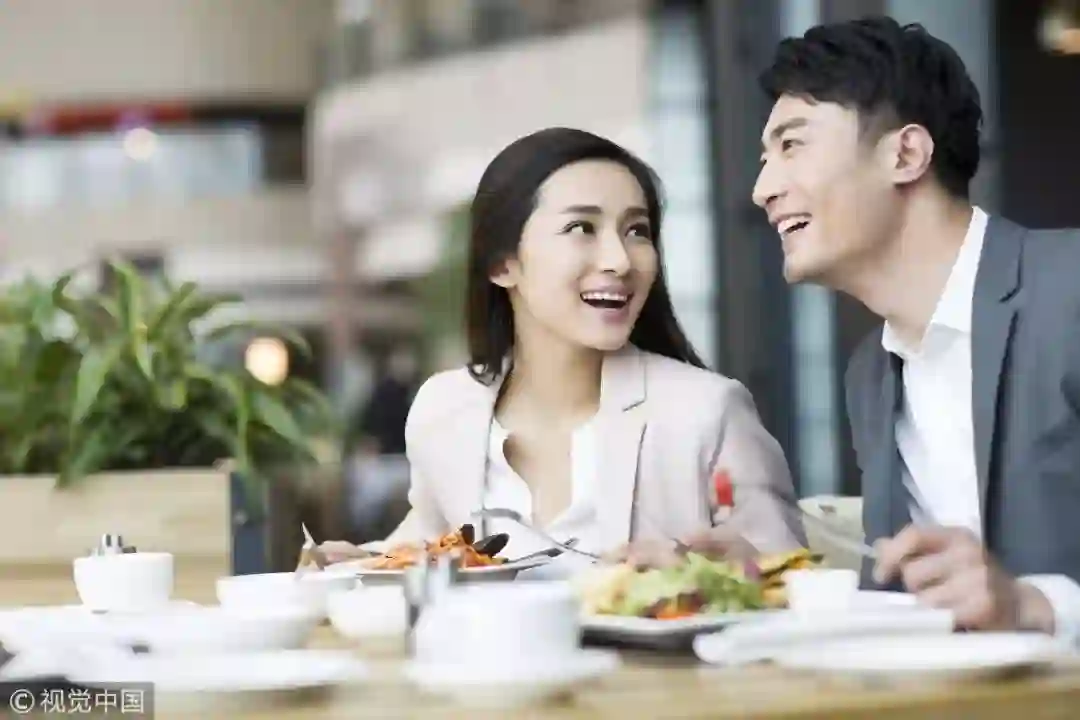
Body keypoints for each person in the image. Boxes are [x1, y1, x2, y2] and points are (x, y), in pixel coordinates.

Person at [321, 127, 804, 569]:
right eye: (582, 228)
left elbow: (790, 576)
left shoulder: (707, 411)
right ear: (502, 264)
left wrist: (734, 571)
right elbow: (428, 542)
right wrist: (360, 563)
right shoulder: (444, 410)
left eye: (637, 231)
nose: (620, 260)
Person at [754, 16, 1080, 639]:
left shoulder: (1069, 290)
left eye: (791, 146)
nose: (762, 189)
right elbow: (905, 599)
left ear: (904, 154)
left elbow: (1013, 603)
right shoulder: (871, 376)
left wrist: (1037, 607)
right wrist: (752, 583)